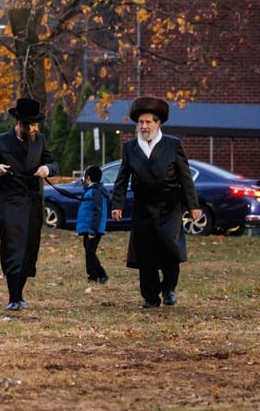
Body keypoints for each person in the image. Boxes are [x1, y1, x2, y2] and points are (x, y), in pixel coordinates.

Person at [111, 96, 201, 309]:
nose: (143, 126)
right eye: (140, 122)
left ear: (158, 123)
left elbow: (185, 177)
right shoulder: (130, 147)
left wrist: (193, 205)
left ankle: (169, 288)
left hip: (169, 206)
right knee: (145, 252)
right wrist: (118, 204)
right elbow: (122, 178)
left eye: (148, 122)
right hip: (143, 206)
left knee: (169, 247)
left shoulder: (173, 145)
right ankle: (150, 296)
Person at [0, 97, 58, 311]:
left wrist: (47, 169)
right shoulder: (0, 141)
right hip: (11, 201)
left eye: (35, 125)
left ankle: (20, 293)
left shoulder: (39, 140)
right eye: (29, 125)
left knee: (30, 249)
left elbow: (52, 162)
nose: (33, 128)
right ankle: (13, 296)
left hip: (32, 202)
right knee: (13, 247)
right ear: (19, 123)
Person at [77, 165, 110, 285]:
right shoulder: (90, 190)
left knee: (90, 252)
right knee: (89, 251)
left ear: (88, 178)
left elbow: (98, 211)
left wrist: (92, 230)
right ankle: (96, 274)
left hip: (93, 229)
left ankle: (97, 275)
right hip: (88, 228)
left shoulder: (96, 192)